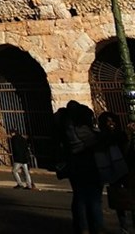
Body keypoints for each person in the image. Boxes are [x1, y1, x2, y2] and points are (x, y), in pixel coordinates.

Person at [57, 100, 104, 234]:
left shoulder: (65, 126)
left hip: (74, 166)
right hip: (88, 165)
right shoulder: (80, 128)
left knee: (79, 197)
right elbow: (93, 142)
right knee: (94, 199)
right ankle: (96, 226)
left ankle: (82, 227)